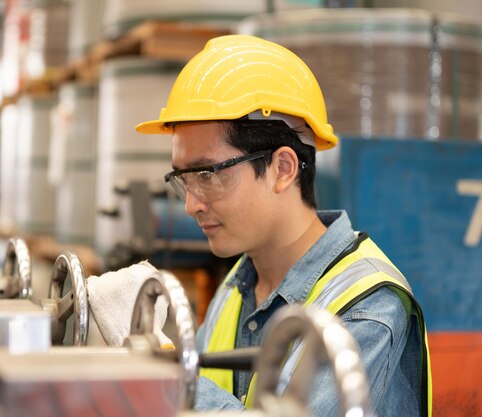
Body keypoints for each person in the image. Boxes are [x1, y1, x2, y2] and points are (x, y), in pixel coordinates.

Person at [135, 35, 431, 416]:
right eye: (184, 179)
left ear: (283, 169)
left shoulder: (364, 309)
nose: (191, 205)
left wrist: (168, 380)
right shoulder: (238, 286)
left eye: (207, 175)